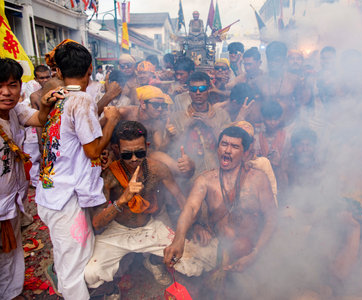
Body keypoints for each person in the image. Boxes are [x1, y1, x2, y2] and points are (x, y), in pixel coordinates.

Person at [85, 121, 217, 297]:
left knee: (203, 257)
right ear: (116, 150)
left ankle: (154, 261)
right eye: (127, 154)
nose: (133, 158)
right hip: (116, 232)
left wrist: (196, 224)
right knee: (91, 273)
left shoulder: (157, 169)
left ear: (146, 146)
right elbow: (96, 222)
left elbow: (181, 199)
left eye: (139, 152)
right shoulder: (108, 175)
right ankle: (111, 288)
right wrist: (123, 199)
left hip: (149, 228)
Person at [35, 42, 120, 300]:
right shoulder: (81, 99)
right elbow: (92, 151)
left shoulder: (58, 98)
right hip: (64, 200)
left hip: (51, 194)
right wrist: (112, 120)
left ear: (58, 72)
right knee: (74, 267)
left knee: (67, 258)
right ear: (91, 69)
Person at [163, 126, 277, 298]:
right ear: (218, 148)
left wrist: (255, 253)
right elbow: (191, 208)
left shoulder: (258, 179)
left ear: (245, 153)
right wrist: (179, 240)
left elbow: (272, 219)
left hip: (252, 249)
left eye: (235, 146)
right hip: (218, 246)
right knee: (180, 265)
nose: (228, 150)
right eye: (224, 144)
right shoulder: (206, 180)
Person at [0, 58, 60, 300]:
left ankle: (10, 293)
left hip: (9, 201)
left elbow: (40, 119)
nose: (6, 92)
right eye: (0, 86)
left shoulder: (15, 111)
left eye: (12, 85)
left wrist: (45, 104)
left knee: (10, 251)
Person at [169, 71, 231, 176]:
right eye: (193, 89)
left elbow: (229, 148)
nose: (198, 92)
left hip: (217, 173)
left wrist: (212, 126)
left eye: (202, 89)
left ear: (208, 90)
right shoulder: (178, 117)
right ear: (189, 92)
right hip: (190, 176)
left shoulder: (221, 115)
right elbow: (173, 151)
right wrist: (187, 128)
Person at [256, 41, 310, 124]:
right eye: (270, 60)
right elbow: (257, 107)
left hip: (288, 124)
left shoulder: (294, 80)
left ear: (284, 60)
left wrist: (296, 126)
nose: (272, 63)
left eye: (277, 61)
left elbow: (301, 105)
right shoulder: (259, 81)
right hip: (267, 127)